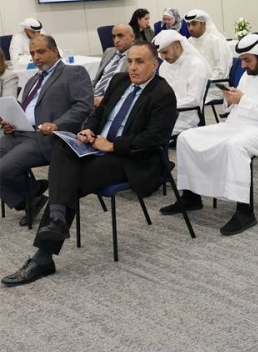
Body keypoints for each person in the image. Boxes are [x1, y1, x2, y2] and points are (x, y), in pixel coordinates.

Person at [2, 43, 176, 286]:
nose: (133, 67)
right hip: (96, 145)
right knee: (62, 145)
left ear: (154, 65)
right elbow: (98, 113)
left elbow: (154, 139)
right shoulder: (120, 81)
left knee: (69, 183)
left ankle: (43, 257)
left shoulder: (163, 94)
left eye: (140, 62)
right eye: (130, 61)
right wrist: (89, 130)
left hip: (128, 158)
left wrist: (112, 145)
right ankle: (57, 218)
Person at [165, 32, 258, 236]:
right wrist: (229, 99)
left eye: (247, 60)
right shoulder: (250, 72)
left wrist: (242, 100)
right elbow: (235, 107)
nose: (243, 66)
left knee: (235, 145)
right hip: (238, 124)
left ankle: (245, 211)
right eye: (242, 60)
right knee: (186, 138)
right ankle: (191, 196)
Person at [0, 35, 92, 223]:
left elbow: (84, 106)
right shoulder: (33, 79)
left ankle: (30, 195)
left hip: (46, 137)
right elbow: (25, 108)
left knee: (3, 169)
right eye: (32, 53)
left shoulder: (73, 73)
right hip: (20, 132)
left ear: (55, 51)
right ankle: (32, 196)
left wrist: (57, 124)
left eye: (40, 52)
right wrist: (12, 122)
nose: (36, 57)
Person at [153, 30, 211, 134]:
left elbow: (194, 99)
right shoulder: (164, 66)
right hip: (165, 113)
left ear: (178, 46)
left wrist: (166, 106)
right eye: (160, 53)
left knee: (151, 133)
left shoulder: (195, 65)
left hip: (186, 117)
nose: (163, 57)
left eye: (165, 52)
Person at [184, 9, 232, 83]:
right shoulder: (189, 42)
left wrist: (202, 83)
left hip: (214, 85)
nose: (190, 28)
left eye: (194, 24)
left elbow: (221, 71)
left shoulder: (215, 41)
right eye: (188, 25)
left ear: (203, 24)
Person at [93, 24, 135, 106]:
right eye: (113, 37)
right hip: (93, 95)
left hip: (112, 101)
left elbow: (131, 88)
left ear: (132, 37)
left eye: (120, 36)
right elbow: (99, 79)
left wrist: (105, 100)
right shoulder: (109, 51)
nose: (116, 40)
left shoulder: (136, 56)